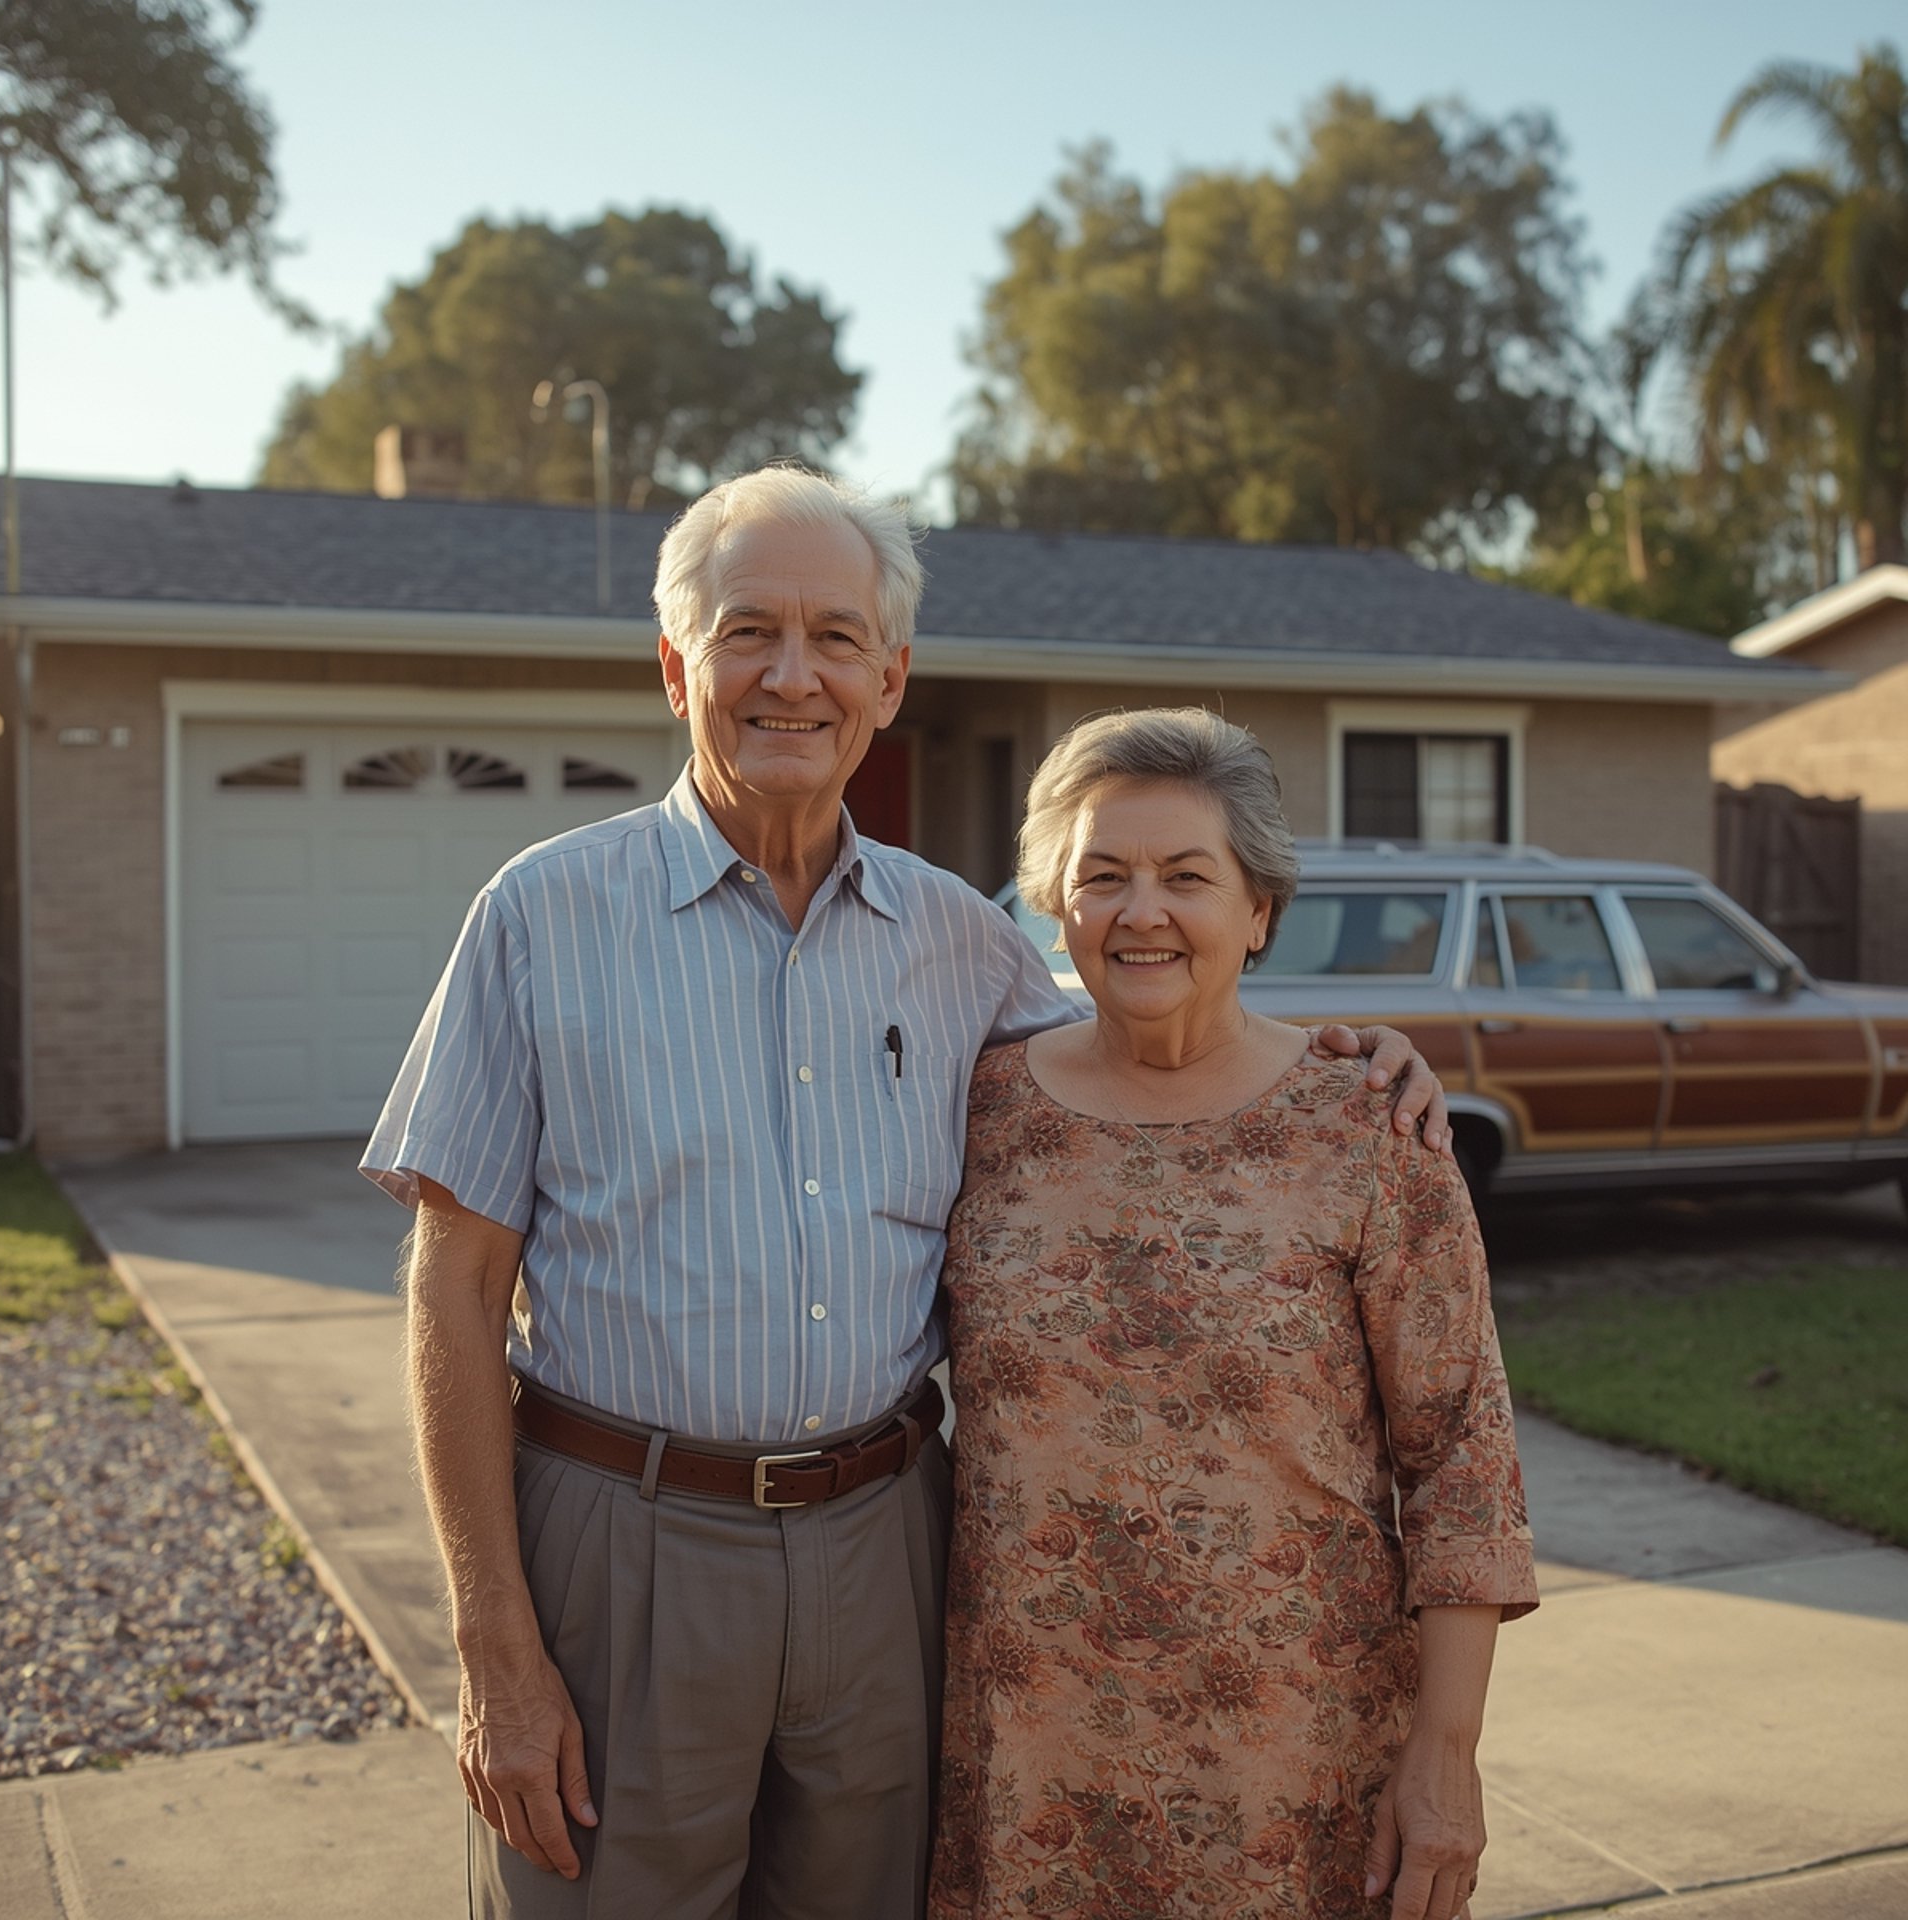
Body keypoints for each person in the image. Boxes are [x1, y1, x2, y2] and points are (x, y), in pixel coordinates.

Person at [360, 468, 1453, 1920]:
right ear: (677, 663)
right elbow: (449, 1289)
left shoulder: (965, 945)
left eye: (835, 637)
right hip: (623, 1541)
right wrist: (494, 1643)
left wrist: (1335, 1052)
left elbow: (1142, 1028)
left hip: (888, 1548)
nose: (791, 676)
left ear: (892, 675)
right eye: (750, 633)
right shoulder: (540, 916)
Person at [929, 708, 1537, 1920]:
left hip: (1296, 1760)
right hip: (1030, 1751)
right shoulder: (979, 1111)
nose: (1139, 910)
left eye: (1185, 877)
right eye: (1102, 876)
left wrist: (1446, 1757)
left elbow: (1464, 1460)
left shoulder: (1370, 1126)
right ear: (1057, 905)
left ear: (1258, 911)